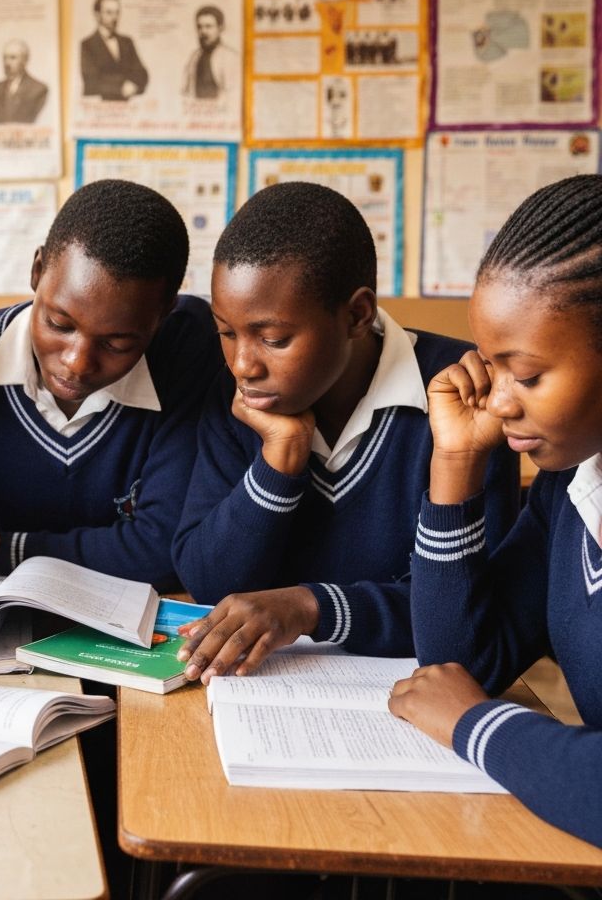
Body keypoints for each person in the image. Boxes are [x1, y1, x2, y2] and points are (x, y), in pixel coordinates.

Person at [173, 182, 519, 682]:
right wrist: (280, 459)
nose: (243, 364)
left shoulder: (464, 396)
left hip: (415, 694)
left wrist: (312, 605)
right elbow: (209, 582)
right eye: (226, 332)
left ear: (357, 314)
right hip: (267, 692)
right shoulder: (235, 401)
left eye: (273, 339)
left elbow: (474, 605)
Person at [389, 174, 602, 849]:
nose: (501, 400)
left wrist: (475, 726)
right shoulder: (572, 488)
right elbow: (459, 664)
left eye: (529, 375)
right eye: (494, 367)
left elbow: (461, 702)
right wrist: (455, 463)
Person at [0, 179, 220, 586]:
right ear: (38, 270)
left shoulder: (187, 350)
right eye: (59, 324)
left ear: (163, 313)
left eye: (117, 343)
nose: (77, 363)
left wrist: (9, 549)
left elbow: (163, 549)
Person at [80, 0, 148, 102]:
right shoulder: (87, 44)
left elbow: (142, 73)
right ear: (97, 15)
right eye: (109, 12)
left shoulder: (127, 42)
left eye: (117, 12)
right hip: (98, 108)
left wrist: (133, 84)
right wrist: (122, 86)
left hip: (128, 108)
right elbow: (91, 80)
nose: (114, 17)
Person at [0, 40, 48, 124]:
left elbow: (31, 119)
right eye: (5, 58)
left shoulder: (38, 89)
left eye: (13, 58)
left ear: (24, 60)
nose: (7, 63)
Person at [182, 5, 237, 100]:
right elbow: (185, 91)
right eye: (199, 27)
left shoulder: (231, 57)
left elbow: (233, 95)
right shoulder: (194, 57)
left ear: (220, 28)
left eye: (208, 26)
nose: (203, 31)